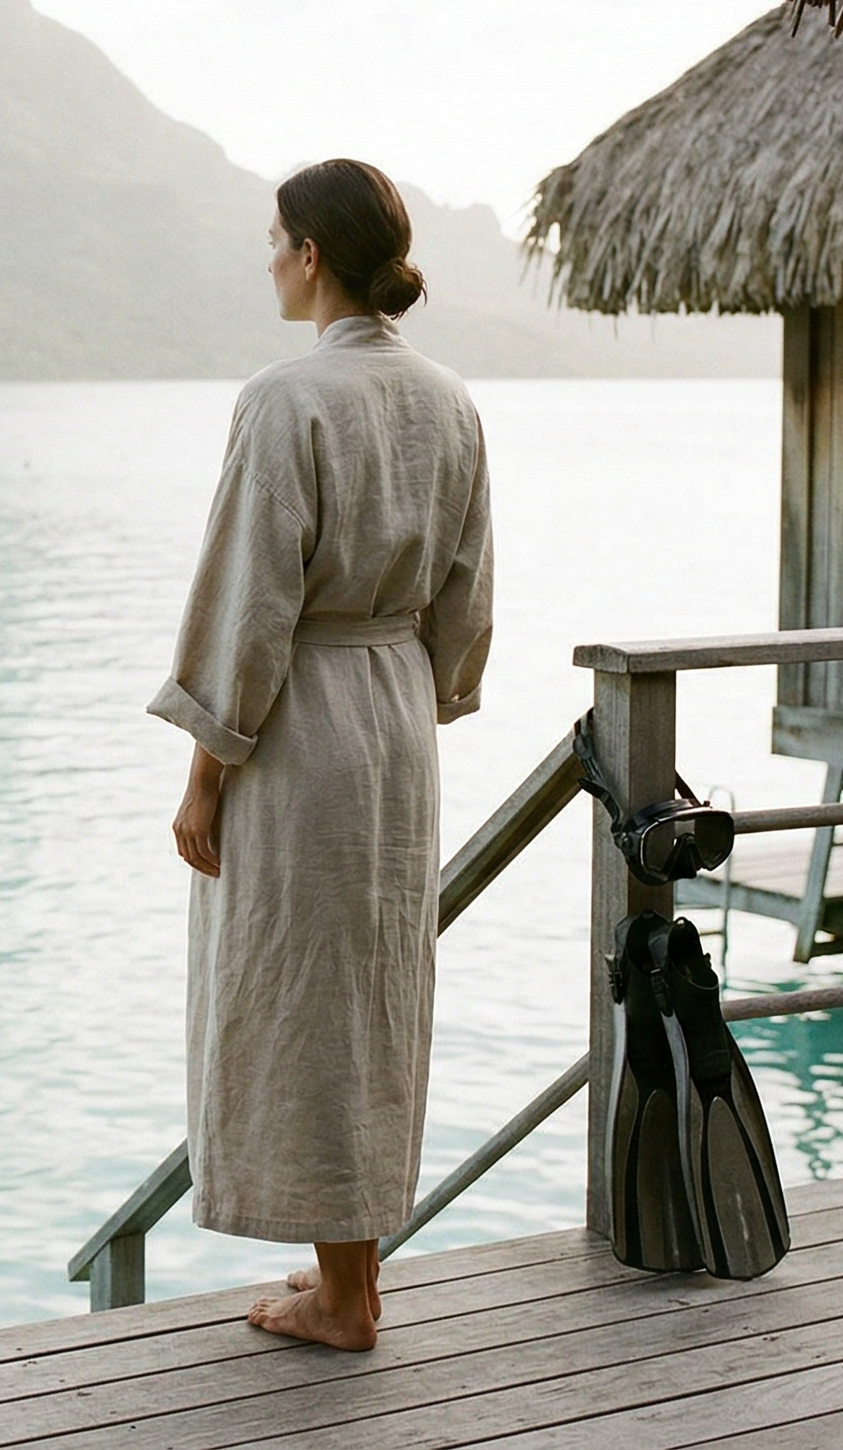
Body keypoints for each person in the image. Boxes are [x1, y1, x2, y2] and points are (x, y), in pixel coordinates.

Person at [149, 158, 495, 1351]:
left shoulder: (284, 398)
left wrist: (204, 774)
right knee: (369, 998)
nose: (266, 258)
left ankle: (344, 1298)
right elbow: (465, 591)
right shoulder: (447, 399)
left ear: (311, 255)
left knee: (302, 996)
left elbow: (248, 602)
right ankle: (348, 1281)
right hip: (394, 719)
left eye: (274, 238)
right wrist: (421, 693)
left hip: (302, 729)